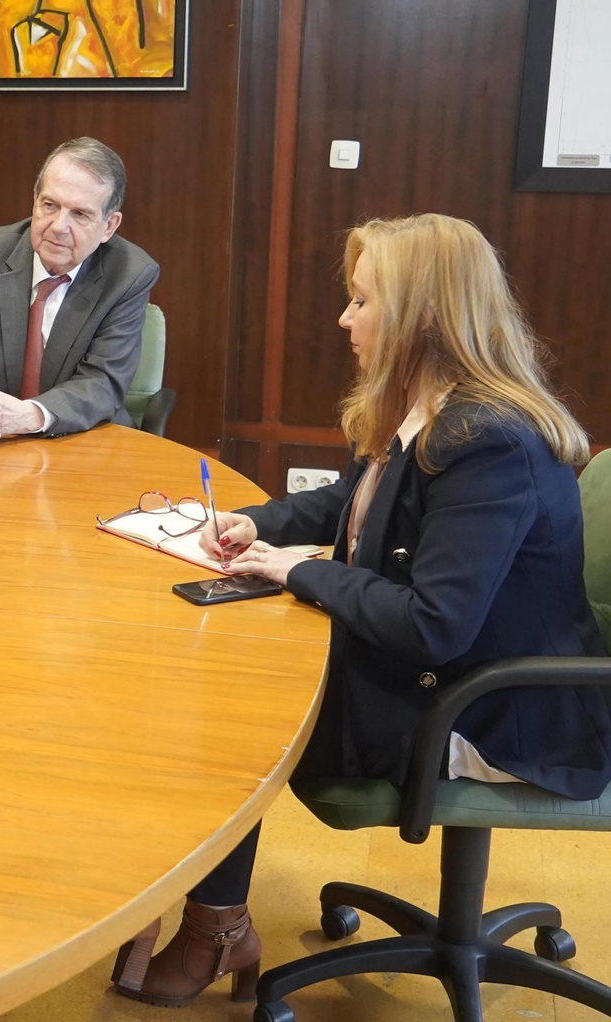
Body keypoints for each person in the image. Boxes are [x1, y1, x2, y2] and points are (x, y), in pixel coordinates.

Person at [110, 213, 611, 1008]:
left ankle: (211, 925)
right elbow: (357, 502)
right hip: (448, 667)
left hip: (492, 707)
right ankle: (181, 906)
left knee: (229, 711)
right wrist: (262, 525)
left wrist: (296, 576)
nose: (345, 319)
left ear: (419, 317)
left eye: (361, 301)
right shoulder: (423, 404)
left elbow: (431, 625)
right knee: (203, 671)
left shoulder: (489, 441)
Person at [0, 136, 159, 443]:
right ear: (34, 199)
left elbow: (102, 383)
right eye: (49, 205)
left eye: (80, 214)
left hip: (80, 442)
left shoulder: (129, 273)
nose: (59, 226)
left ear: (109, 226)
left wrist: (25, 417)